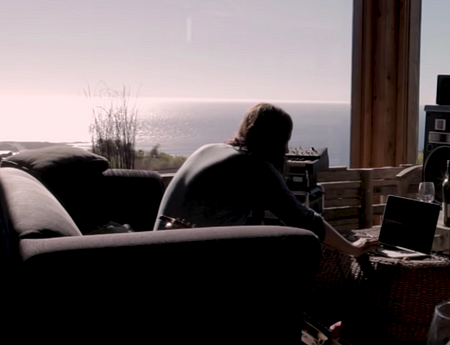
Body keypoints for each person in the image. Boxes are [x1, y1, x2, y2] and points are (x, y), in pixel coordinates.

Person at [155, 103, 379, 258]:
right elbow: (305, 220)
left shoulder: (209, 149)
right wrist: (352, 248)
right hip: (188, 261)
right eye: (285, 140)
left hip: (155, 250)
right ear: (275, 139)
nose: (288, 149)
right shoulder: (254, 166)